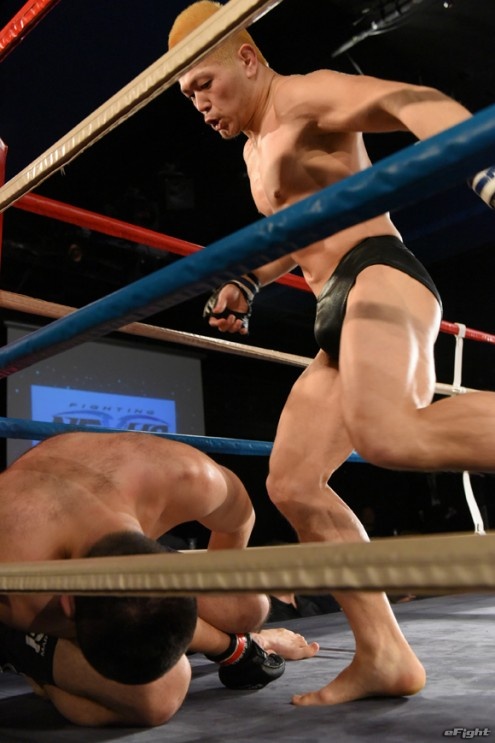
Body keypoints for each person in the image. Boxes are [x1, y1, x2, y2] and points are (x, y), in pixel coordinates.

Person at [168, 0, 495, 708]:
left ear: (246, 59)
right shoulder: (255, 149)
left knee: (389, 434)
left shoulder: (302, 95)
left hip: (379, 272)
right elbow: (296, 230)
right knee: (292, 483)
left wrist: (482, 167)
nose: (199, 104)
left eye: (204, 84)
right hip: (334, 307)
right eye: (187, 96)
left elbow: (410, 99)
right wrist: (248, 281)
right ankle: (384, 653)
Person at [0, 431, 318, 727]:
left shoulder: (189, 476)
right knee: (159, 694)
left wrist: (229, 623)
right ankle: (34, 668)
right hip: (15, 610)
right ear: (69, 603)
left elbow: (239, 516)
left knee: (246, 607)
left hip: (97, 541)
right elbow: (123, 615)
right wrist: (233, 648)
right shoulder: (25, 583)